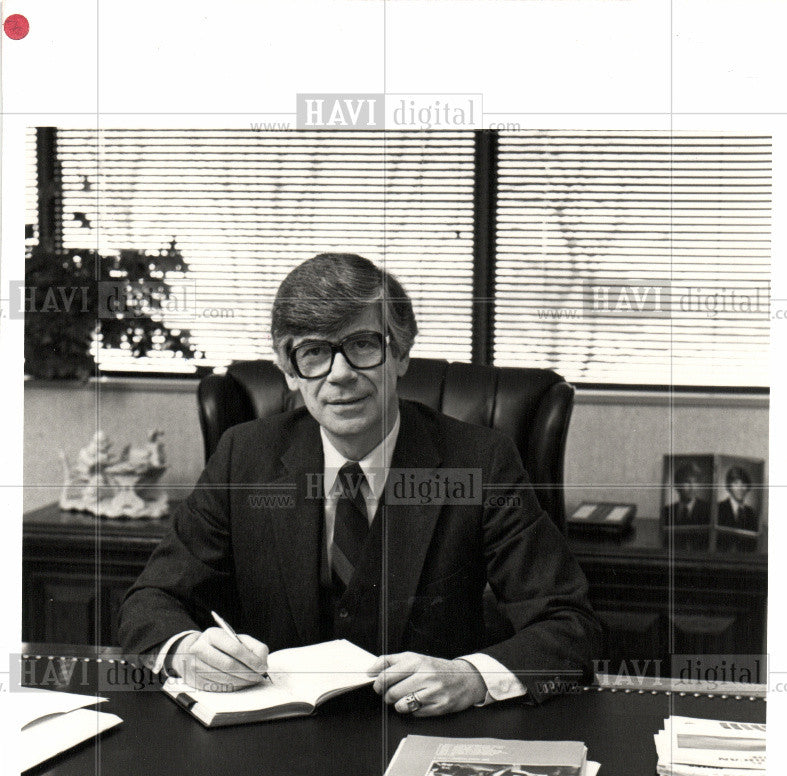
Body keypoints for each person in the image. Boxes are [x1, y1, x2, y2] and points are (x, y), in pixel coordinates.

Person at [119, 253, 601, 715]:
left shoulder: (479, 462)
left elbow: (569, 627)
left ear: (402, 354)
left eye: (363, 346)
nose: (341, 374)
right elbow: (151, 601)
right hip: (274, 741)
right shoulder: (243, 457)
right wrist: (186, 651)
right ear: (289, 372)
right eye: (313, 352)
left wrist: (472, 677)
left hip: (425, 734)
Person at [662, 461, 711, 527]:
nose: (692, 487)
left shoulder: (708, 510)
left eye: (695, 482)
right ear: (677, 485)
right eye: (687, 482)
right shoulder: (666, 511)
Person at [717, 466, 759, 532]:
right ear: (729, 486)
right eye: (736, 483)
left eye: (744, 483)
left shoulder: (751, 514)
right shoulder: (718, 508)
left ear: (748, 487)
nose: (740, 488)